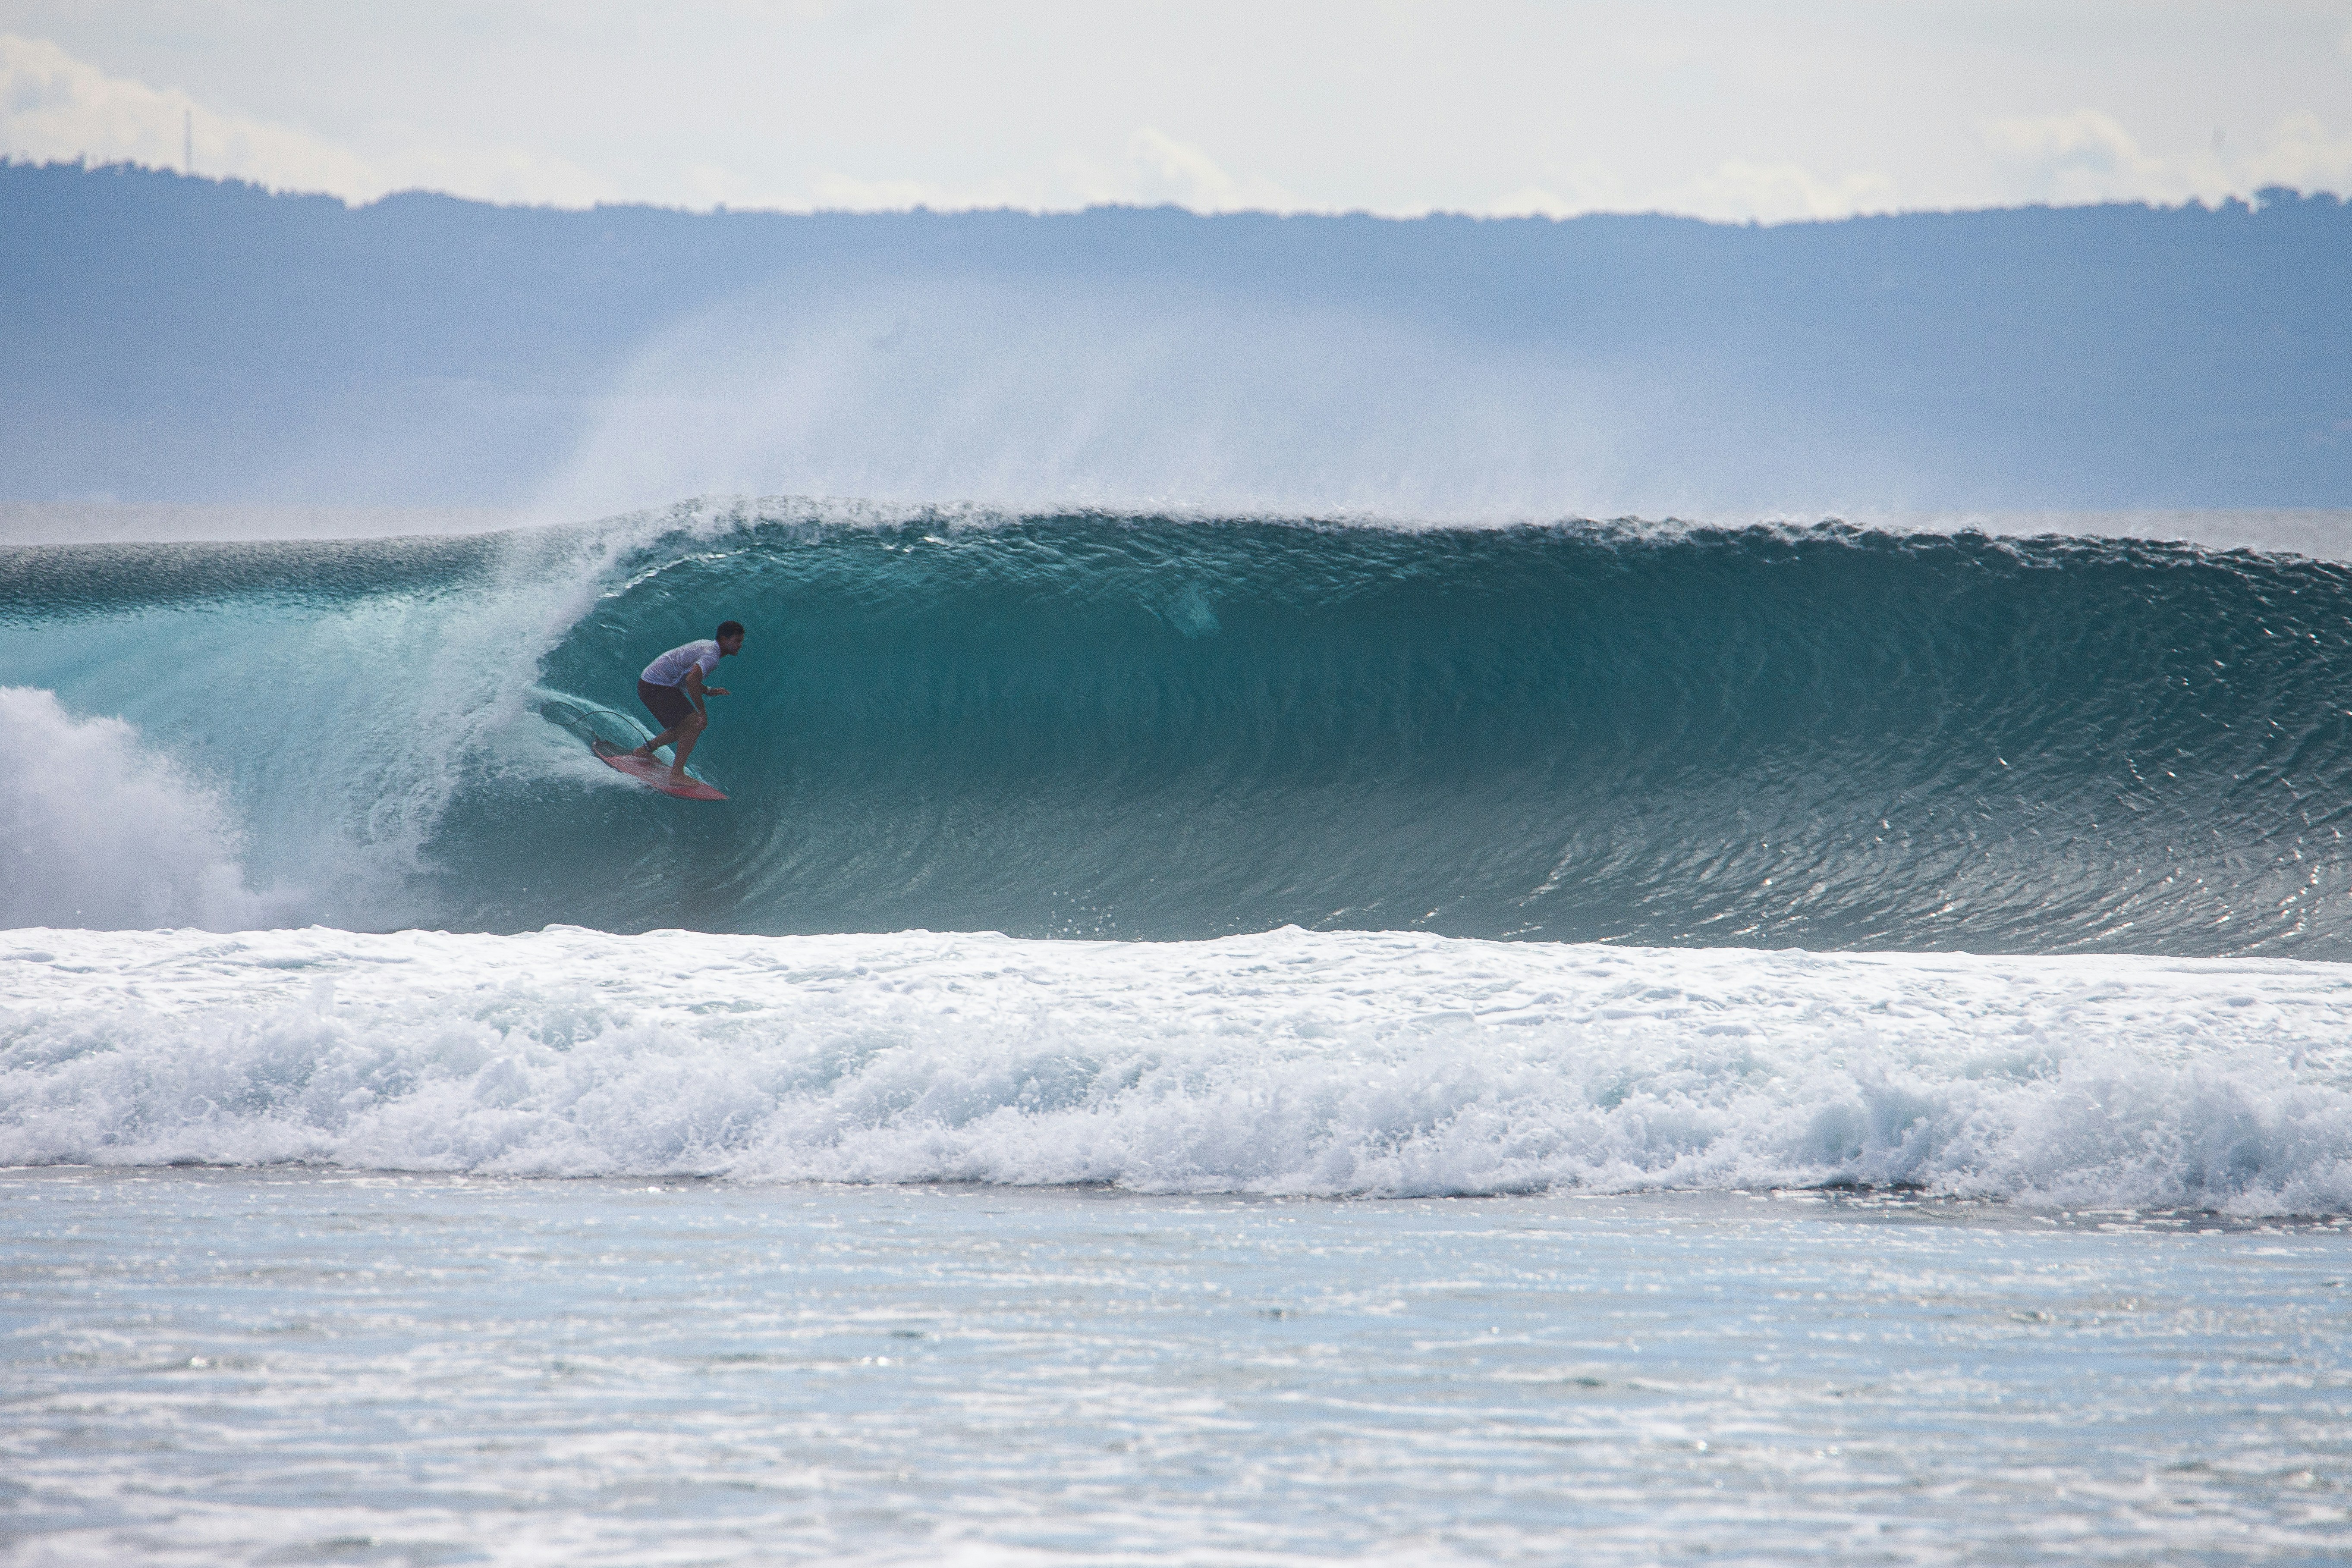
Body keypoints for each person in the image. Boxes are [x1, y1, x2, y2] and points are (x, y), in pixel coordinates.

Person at [628, 621, 745, 784]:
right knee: (695, 724)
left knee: (684, 727)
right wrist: (702, 713)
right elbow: (691, 681)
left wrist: (709, 691)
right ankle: (676, 775)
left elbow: (690, 678)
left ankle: (644, 751)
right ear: (725, 640)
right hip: (655, 686)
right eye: (738, 641)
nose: (741, 645)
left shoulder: (709, 646)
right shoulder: (712, 657)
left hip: (653, 683)